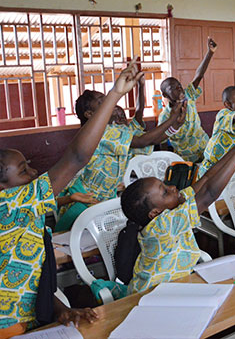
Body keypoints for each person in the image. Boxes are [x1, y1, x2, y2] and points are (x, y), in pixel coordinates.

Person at [0, 62, 143, 337]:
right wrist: (114, 94)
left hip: (31, 319)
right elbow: (77, 157)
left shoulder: (24, 207)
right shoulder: (10, 204)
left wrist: (60, 309)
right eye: (22, 172)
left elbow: (27, 273)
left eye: (29, 166)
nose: (33, 174)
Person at [120, 119, 235, 294]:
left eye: (165, 185)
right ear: (155, 213)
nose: (173, 187)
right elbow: (209, 193)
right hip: (151, 294)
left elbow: (207, 179)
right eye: (165, 192)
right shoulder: (161, 226)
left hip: (179, 285)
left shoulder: (175, 204)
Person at [55, 82, 186, 231]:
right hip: (83, 200)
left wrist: (174, 127)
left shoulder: (115, 130)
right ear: (89, 114)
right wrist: (173, 117)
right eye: (101, 101)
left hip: (104, 200)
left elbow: (144, 136)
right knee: (79, 239)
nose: (108, 103)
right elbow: (145, 140)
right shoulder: (100, 133)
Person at [158, 37, 217, 163]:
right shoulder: (164, 117)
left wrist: (210, 53)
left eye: (179, 85)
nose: (179, 89)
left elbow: (199, 75)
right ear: (165, 95)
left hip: (205, 148)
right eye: (172, 88)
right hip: (185, 158)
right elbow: (162, 141)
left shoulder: (188, 97)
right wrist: (167, 161)